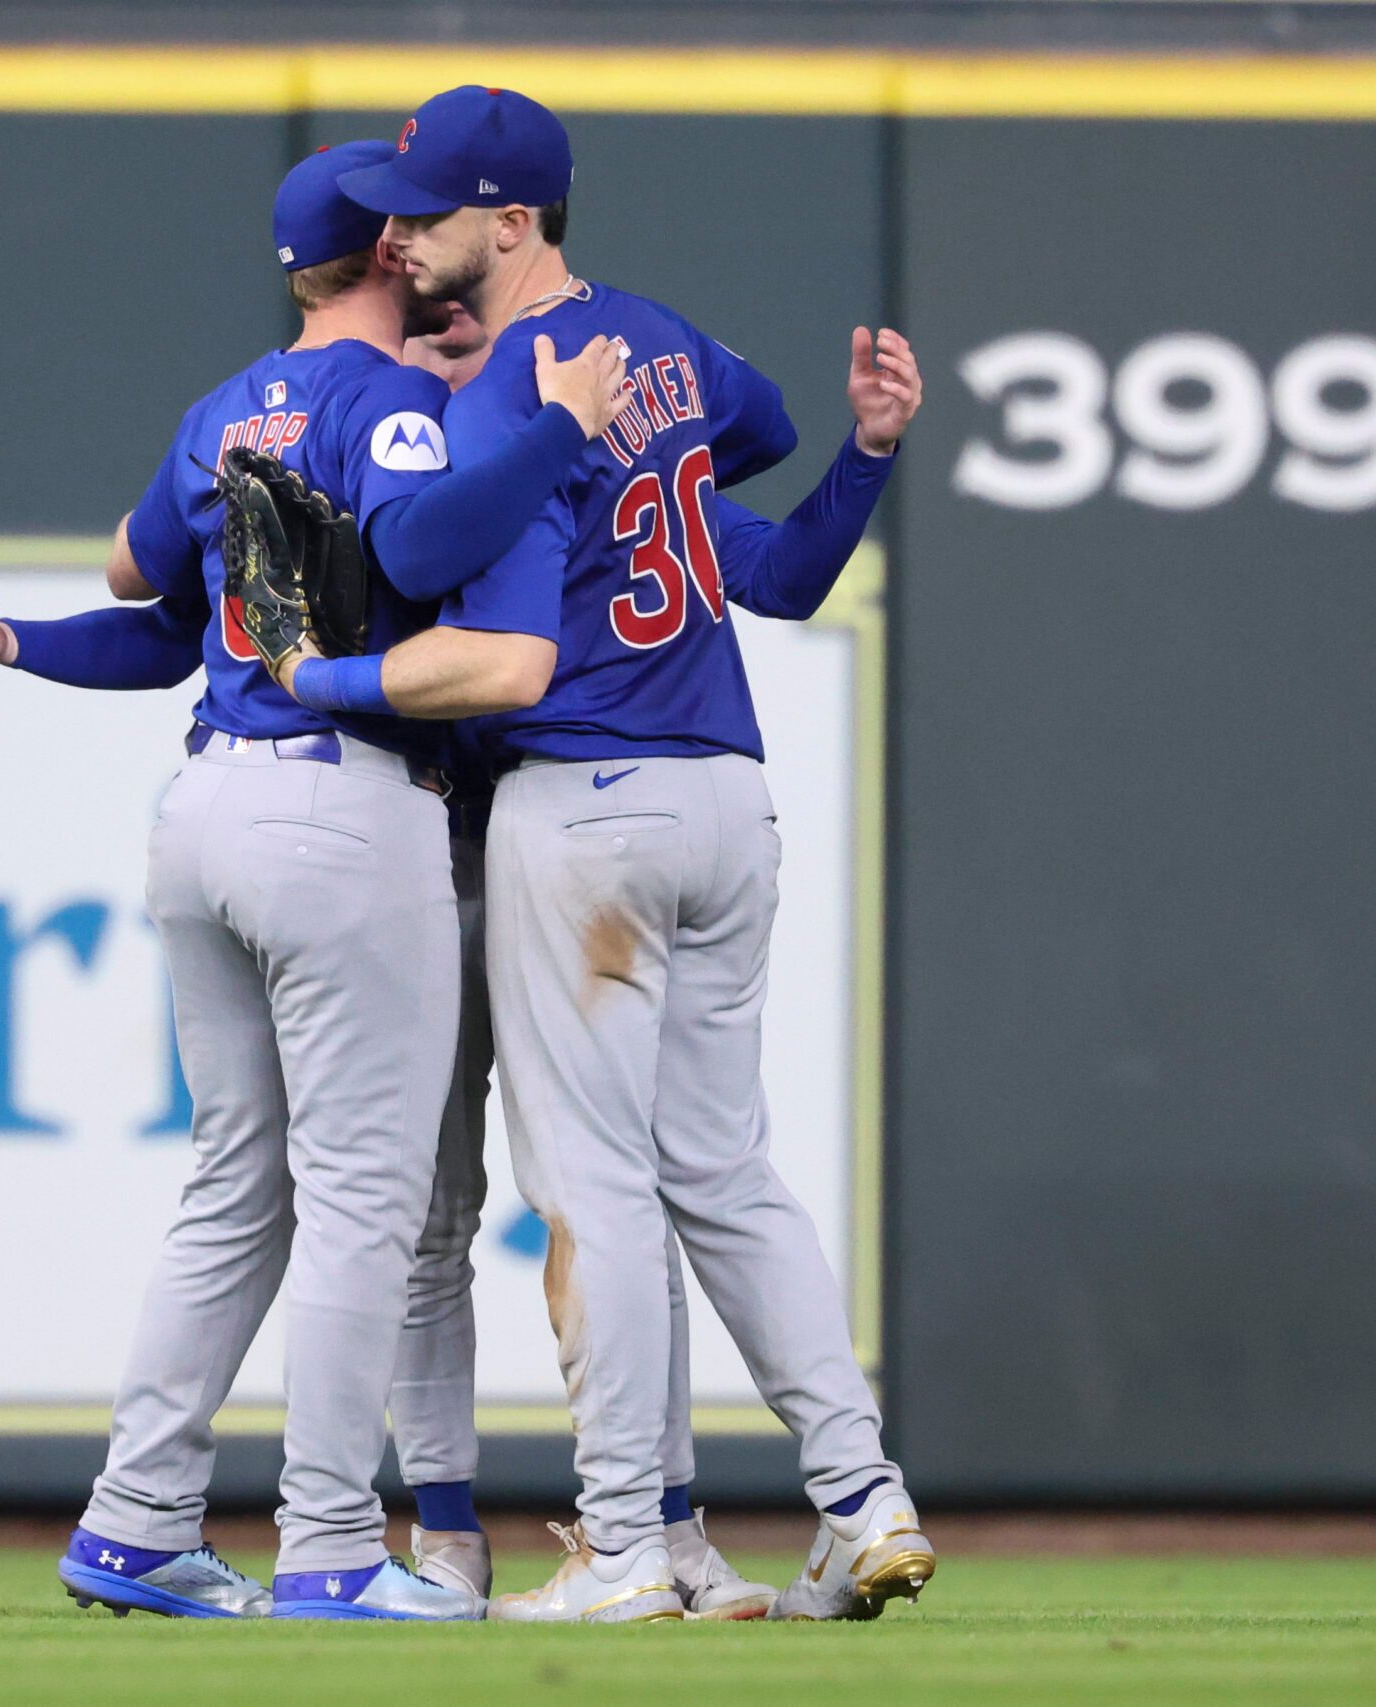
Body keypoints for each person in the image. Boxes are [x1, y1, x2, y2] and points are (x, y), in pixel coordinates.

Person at [0, 138, 628, 1621]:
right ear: (388, 253)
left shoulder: (223, 407)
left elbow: (141, 593)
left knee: (237, 1191)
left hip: (203, 815)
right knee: (365, 1199)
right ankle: (328, 1553)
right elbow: (432, 540)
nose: (431, 240)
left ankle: (133, 1521)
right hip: (340, 811)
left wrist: (6, 641)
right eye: (413, 227)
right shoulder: (403, 408)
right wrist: (539, 428)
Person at [289, 85, 937, 1622]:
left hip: (587, 807)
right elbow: (764, 538)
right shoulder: (662, 339)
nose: (406, 234)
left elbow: (418, 553)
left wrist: (534, 437)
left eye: (433, 213)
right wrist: (865, 454)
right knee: (729, 1172)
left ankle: (630, 1547)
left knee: (600, 1192)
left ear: (511, 222)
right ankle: (861, 1494)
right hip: (725, 797)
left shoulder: (521, 374)